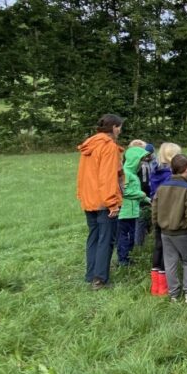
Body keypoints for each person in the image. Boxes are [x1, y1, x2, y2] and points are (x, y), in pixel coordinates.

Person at [76, 114, 124, 290]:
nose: (120, 130)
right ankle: (100, 279)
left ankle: (91, 275)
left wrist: (82, 195)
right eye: (119, 127)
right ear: (113, 128)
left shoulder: (90, 144)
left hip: (89, 199)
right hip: (104, 201)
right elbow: (107, 177)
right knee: (106, 239)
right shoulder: (108, 147)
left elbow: (83, 175)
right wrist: (112, 203)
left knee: (94, 237)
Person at [152, 154, 187, 303]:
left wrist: (156, 226)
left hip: (165, 231)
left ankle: (173, 294)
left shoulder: (161, 187)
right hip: (183, 232)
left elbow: (155, 209)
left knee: (170, 262)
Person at [148, 142, 181, 296]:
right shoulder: (170, 175)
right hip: (169, 214)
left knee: (158, 247)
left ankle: (156, 286)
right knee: (168, 251)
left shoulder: (155, 171)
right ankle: (164, 286)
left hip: (157, 211)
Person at [116, 145, 150, 267]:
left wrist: (148, 200)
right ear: (134, 160)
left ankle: (128, 257)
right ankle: (123, 260)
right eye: (141, 160)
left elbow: (135, 192)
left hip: (133, 211)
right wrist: (141, 194)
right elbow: (124, 192)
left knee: (130, 235)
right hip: (125, 212)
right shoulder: (126, 173)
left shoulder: (133, 174)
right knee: (124, 236)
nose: (142, 163)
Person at [135, 143, 156, 247]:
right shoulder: (144, 166)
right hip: (143, 194)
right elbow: (145, 183)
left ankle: (142, 239)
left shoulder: (141, 163)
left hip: (140, 193)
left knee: (142, 219)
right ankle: (139, 244)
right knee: (141, 219)